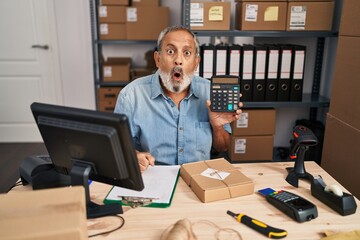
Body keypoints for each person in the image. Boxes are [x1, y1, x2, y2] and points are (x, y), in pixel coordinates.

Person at [114, 25, 243, 171]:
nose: (178, 60)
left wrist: (217, 127)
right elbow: (118, 149)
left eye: (187, 53)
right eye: (170, 51)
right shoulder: (130, 96)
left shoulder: (209, 92)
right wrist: (134, 156)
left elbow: (223, 146)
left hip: (199, 179)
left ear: (196, 63)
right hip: (154, 178)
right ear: (157, 59)